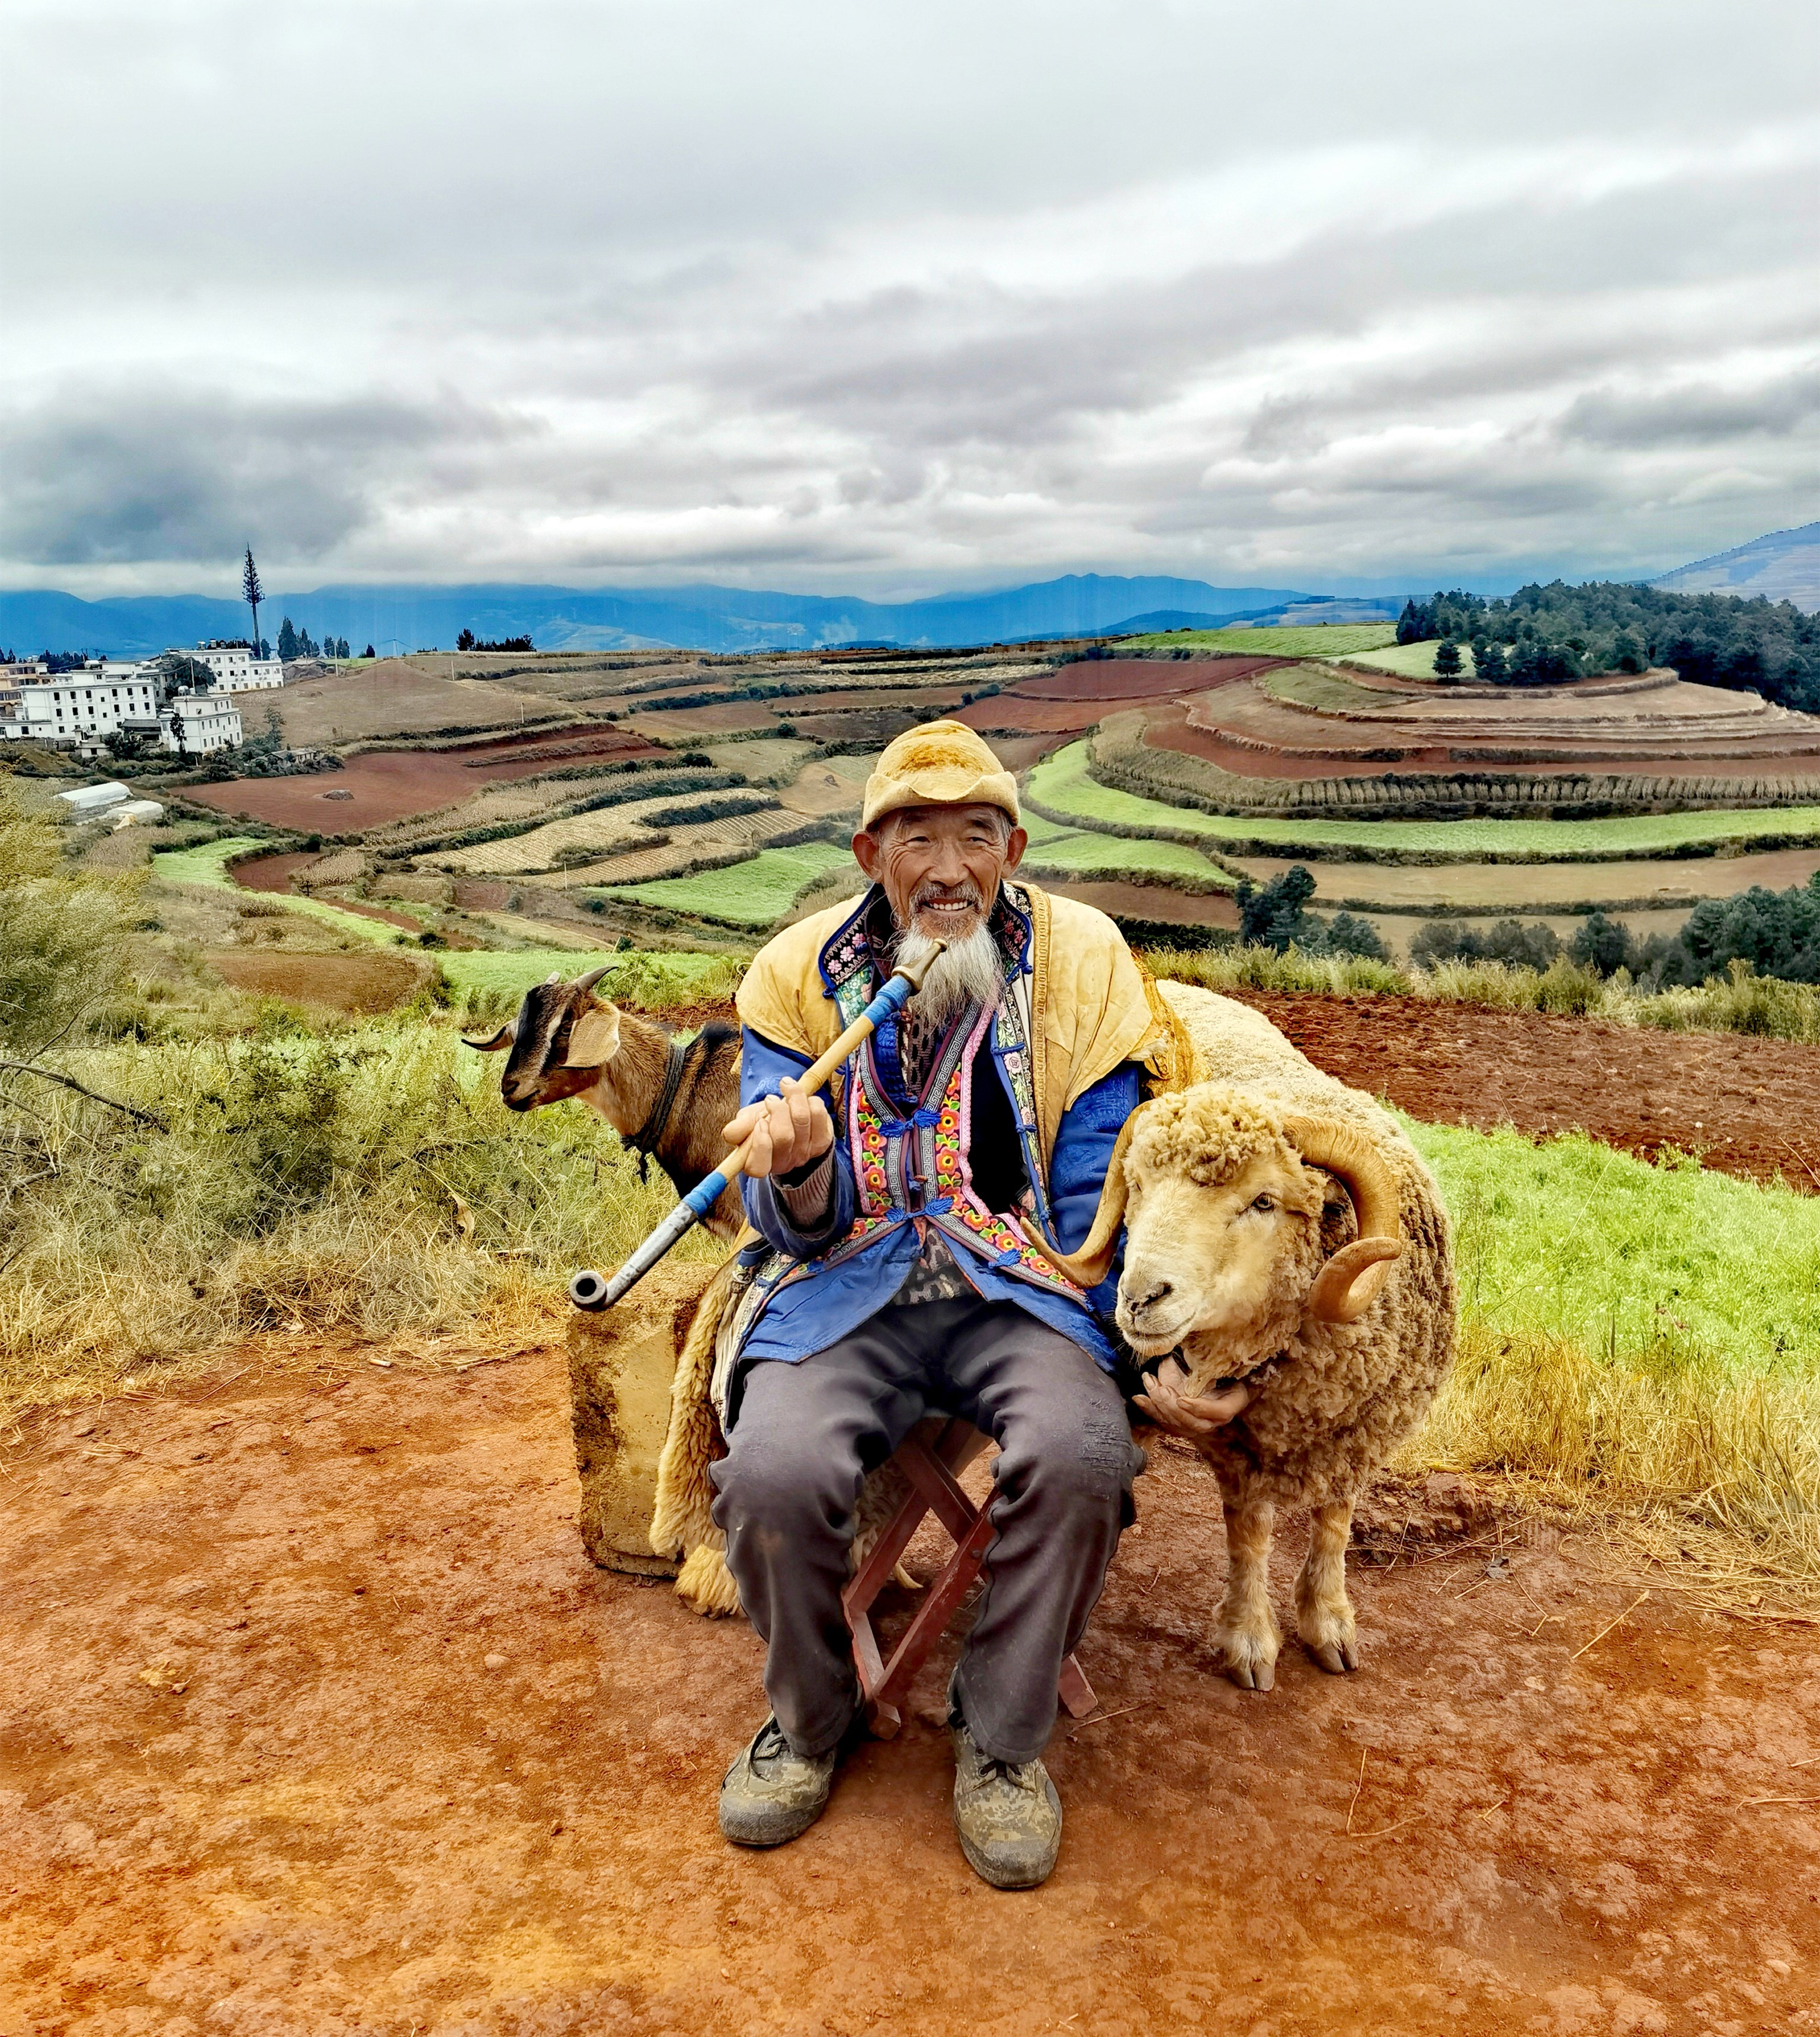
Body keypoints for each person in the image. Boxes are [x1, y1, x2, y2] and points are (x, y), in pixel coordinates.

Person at [710, 720, 1245, 1889]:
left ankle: (1000, 1742)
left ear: (1011, 847)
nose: (947, 867)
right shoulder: (795, 976)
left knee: (1084, 1452)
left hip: (1025, 1288)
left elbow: (1099, 1186)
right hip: (846, 1290)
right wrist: (797, 1162)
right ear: (868, 852)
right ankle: (810, 1722)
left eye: (975, 835)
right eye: (916, 837)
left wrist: (1131, 1357)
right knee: (769, 1476)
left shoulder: (1085, 959)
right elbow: (786, 1227)